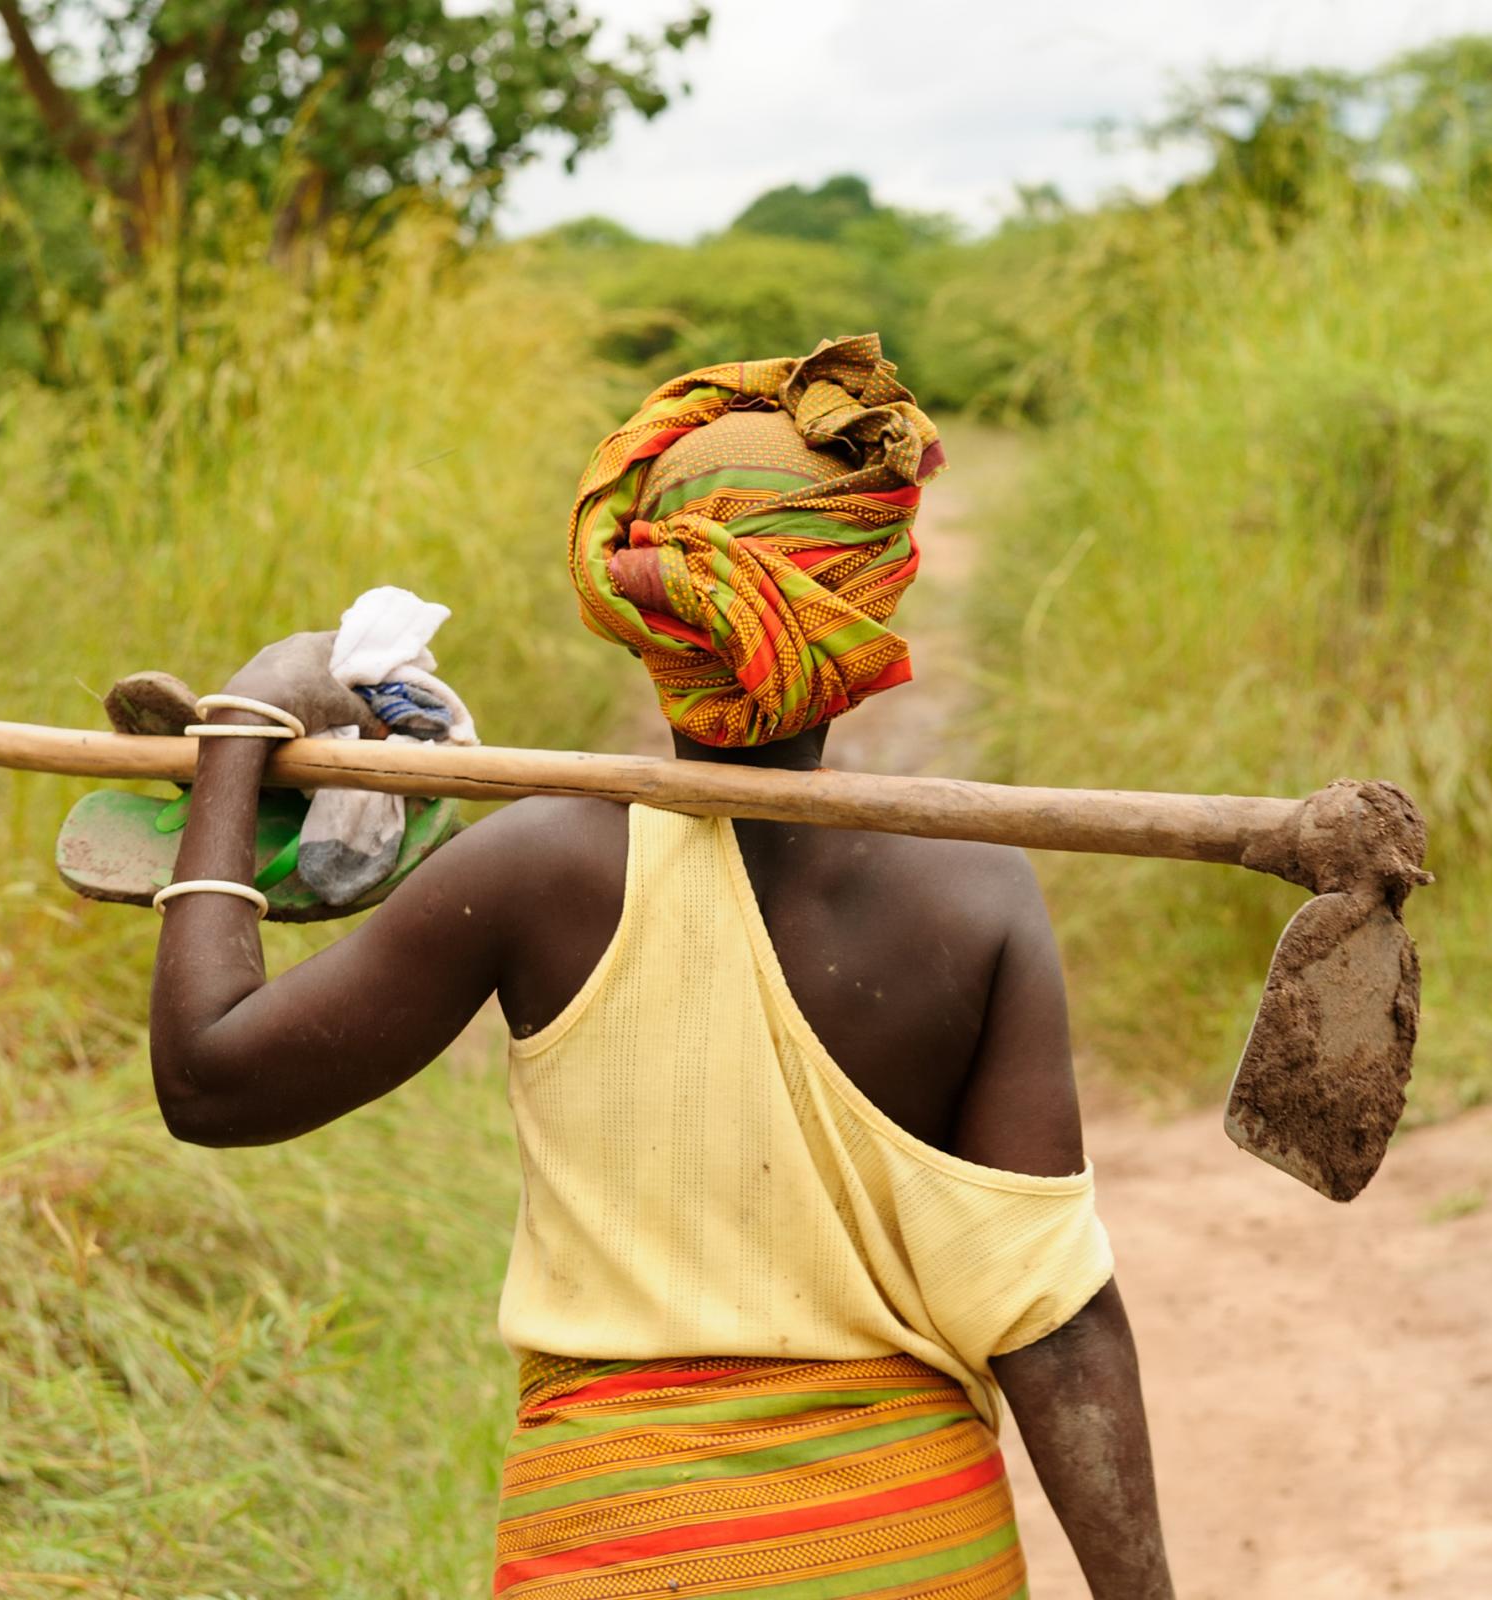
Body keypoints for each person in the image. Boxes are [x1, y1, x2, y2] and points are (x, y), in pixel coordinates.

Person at [145, 336, 1174, 1598]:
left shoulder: (530, 871)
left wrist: (238, 734)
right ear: (865, 606)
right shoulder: (973, 892)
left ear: (643, 611)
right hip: (906, 1549)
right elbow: (1054, 1323)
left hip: (616, 1548)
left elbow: (210, 1080)